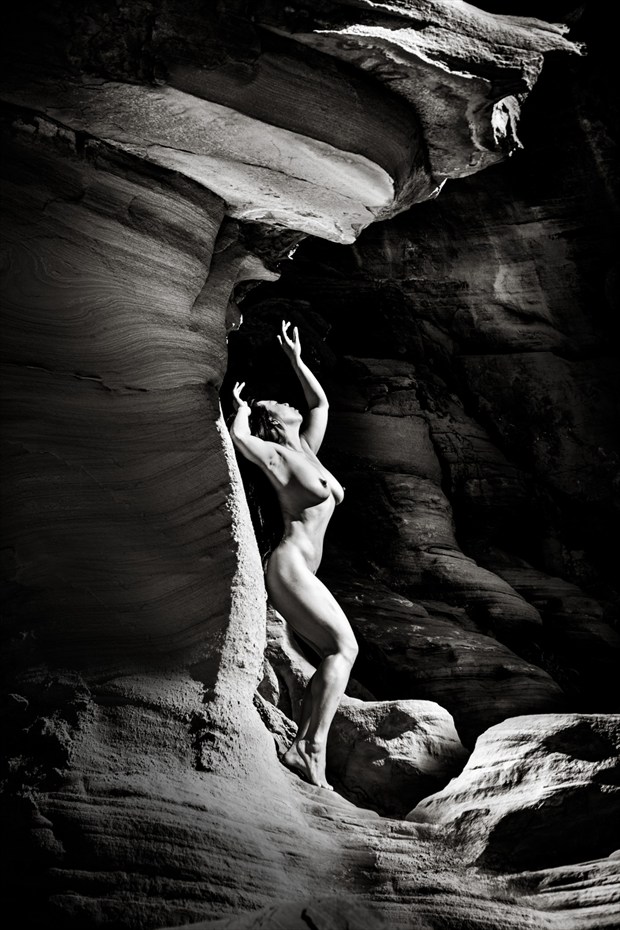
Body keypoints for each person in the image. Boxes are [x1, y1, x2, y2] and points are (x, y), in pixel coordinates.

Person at [229, 319, 358, 790]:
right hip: (289, 565)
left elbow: (320, 403)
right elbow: (241, 440)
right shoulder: (277, 456)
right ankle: (309, 748)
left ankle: (305, 746)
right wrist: (242, 410)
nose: (289, 401)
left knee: (335, 651)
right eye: (279, 402)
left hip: (306, 570)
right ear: (273, 421)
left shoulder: (305, 449)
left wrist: (296, 359)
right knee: (344, 648)